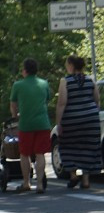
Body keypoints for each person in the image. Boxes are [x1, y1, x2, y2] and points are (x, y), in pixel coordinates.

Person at [56, 55, 101, 189]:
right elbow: (97, 100)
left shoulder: (65, 81)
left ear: (71, 65)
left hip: (72, 119)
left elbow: (62, 103)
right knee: (89, 147)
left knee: (68, 146)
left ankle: (73, 175)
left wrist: (58, 122)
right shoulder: (90, 80)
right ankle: (86, 180)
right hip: (91, 119)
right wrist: (91, 113)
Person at [10, 57, 51, 194]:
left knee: (25, 153)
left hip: (26, 123)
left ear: (25, 70)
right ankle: (39, 184)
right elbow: (47, 100)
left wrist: (15, 116)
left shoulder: (18, 85)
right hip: (43, 123)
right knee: (40, 154)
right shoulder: (44, 83)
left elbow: (13, 106)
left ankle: (26, 182)